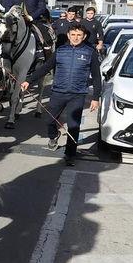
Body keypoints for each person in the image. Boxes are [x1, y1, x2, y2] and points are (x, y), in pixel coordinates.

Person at [22, 24, 101, 166]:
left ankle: (70, 154)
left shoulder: (90, 52)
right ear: (69, 35)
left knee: (73, 126)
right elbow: (46, 67)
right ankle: (53, 136)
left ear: (84, 36)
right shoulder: (60, 50)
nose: (76, 38)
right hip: (58, 92)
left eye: (79, 35)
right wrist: (29, 80)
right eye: (73, 35)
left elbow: (96, 76)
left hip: (77, 94)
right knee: (49, 121)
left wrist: (95, 97)